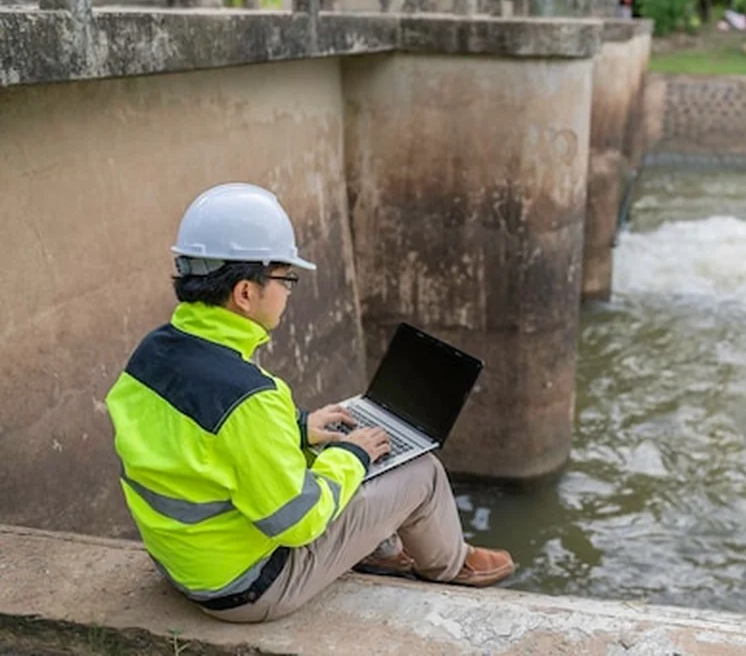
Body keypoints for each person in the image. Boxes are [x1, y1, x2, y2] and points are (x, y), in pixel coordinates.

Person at [105, 183, 514, 624]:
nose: (289, 291)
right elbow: (296, 521)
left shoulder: (152, 354)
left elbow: (205, 445)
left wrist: (300, 429)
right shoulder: (250, 399)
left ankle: (379, 549)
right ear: (245, 292)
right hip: (248, 588)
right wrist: (351, 454)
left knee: (328, 452)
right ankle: (452, 565)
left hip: (182, 563)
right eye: (285, 279)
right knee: (420, 472)